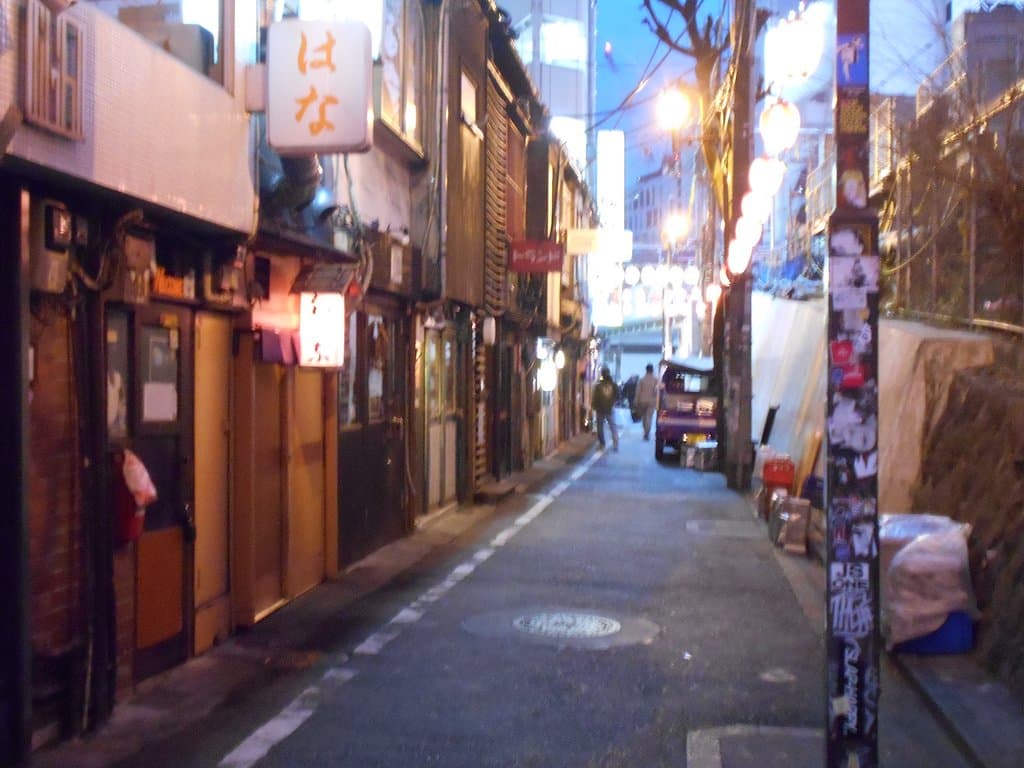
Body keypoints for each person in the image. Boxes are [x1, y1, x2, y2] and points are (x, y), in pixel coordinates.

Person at [591, 366, 619, 451]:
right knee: (612, 425)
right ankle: (615, 443)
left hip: (600, 409)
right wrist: (613, 402)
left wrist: (594, 406)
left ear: (602, 374)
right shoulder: (613, 384)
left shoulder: (598, 385)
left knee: (600, 426)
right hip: (610, 408)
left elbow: (595, 398)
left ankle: (602, 444)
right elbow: (617, 396)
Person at [634, 363, 659, 440]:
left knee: (644, 417)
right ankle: (647, 433)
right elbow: (657, 391)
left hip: (642, 401)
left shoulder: (642, 380)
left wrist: (636, 400)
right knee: (649, 417)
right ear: (652, 370)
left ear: (646, 370)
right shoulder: (656, 380)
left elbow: (638, 391)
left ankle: (645, 432)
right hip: (652, 401)